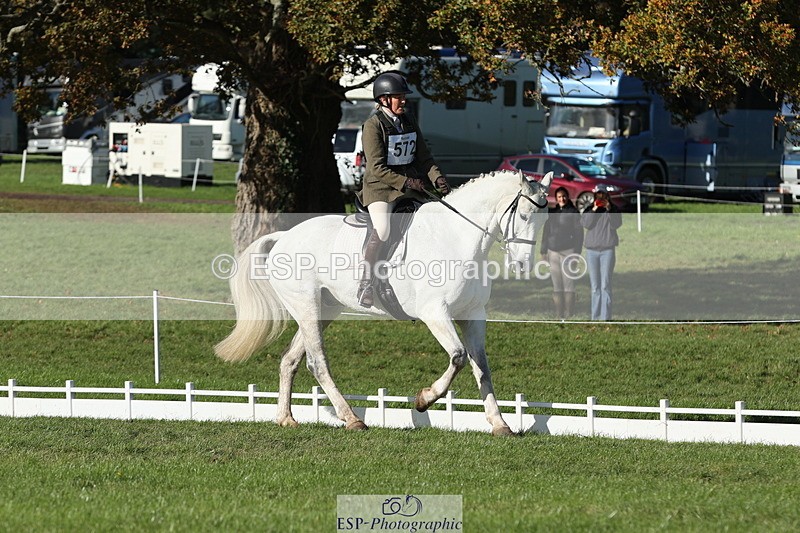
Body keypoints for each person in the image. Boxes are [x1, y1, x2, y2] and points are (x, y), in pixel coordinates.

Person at [356, 72, 451, 307]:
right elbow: (376, 168)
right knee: (384, 229)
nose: (404, 101)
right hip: (381, 189)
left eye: (403, 96)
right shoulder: (373, 125)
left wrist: (438, 179)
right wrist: (407, 182)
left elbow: (424, 157)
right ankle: (366, 282)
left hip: (410, 187)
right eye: (399, 97)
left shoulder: (408, 121)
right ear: (384, 99)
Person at [580, 184, 622, 320]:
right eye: (598, 195)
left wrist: (609, 209)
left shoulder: (613, 209)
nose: (600, 198)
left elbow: (616, 224)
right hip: (592, 251)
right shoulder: (589, 209)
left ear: (607, 196)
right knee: (595, 286)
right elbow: (586, 224)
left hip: (607, 251)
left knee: (605, 284)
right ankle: (595, 316)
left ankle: (605, 317)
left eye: (603, 195)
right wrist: (594, 209)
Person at [540, 187, 583, 318]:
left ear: (567, 197)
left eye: (564, 196)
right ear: (556, 199)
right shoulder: (552, 213)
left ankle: (569, 313)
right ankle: (559, 314)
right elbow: (546, 233)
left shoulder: (574, 212)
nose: (562, 199)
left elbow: (579, 235)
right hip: (552, 252)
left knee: (568, 284)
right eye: (559, 197)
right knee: (557, 285)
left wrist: (577, 253)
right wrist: (543, 251)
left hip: (568, 252)